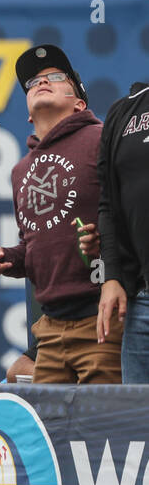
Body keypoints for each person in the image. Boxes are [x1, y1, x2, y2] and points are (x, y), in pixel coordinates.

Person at [0, 44, 121, 383]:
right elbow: (36, 247)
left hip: (100, 317)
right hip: (50, 330)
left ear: (79, 102)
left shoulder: (102, 139)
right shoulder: (20, 171)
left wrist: (105, 242)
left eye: (56, 78)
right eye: (33, 83)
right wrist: (5, 259)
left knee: (101, 430)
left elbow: (132, 213)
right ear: (28, 112)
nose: (42, 82)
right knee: (50, 430)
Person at [94, 81, 149, 382]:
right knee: (140, 426)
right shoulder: (123, 110)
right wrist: (112, 275)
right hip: (141, 303)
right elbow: (109, 205)